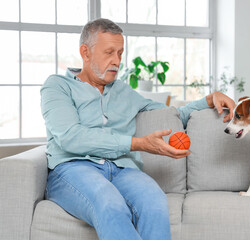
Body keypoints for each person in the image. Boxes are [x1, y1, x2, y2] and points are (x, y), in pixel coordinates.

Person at [41, 18, 235, 240]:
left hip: (122, 168)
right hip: (73, 168)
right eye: (109, 52)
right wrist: (137, 143)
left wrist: (209, 100)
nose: (117, 61)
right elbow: (70, 137)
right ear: (85, 52)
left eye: (120, 53)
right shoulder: (58, 86)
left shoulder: (125, 92)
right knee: (109, 203)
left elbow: (172, 115)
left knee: (155, 203)